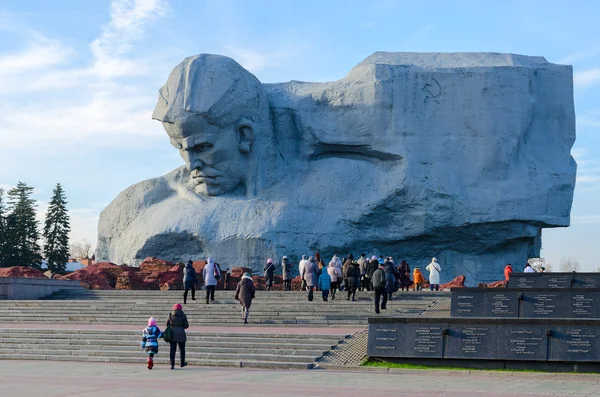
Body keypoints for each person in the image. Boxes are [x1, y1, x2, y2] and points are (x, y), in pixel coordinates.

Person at [166, 303, 189, 369]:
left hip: (172, 334)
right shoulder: (183, 315)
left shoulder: (170, 315)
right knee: (182, 349)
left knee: (172, 350)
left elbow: (167, 324)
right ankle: (182, 363)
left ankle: (172, 364)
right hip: (181, 333)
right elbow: (186, 325)